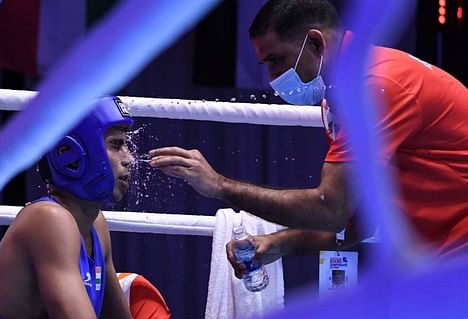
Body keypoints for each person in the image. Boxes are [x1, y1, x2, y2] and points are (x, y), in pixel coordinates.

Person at [149, 0, 468, 278]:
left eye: (276, 60)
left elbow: (330, 208)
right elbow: (355, 218)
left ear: (315, 43)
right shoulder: (341, 96)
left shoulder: (376, 86)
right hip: (443, 257)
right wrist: (279, 243)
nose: (272, 79)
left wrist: (219, 186)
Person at [0, 97, 152, 319]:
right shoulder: (47, 220)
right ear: (72, 153)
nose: (129, 159)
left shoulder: (96, 225)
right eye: (116, 144)